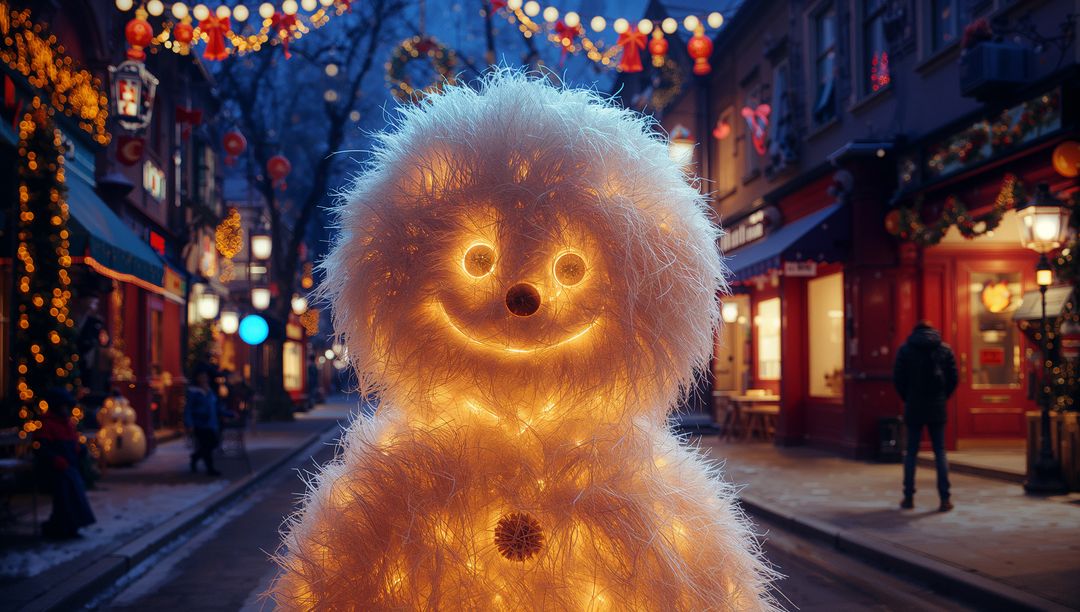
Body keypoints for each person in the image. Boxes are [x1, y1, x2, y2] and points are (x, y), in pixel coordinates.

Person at [893, 321, 959, 512]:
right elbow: (953, 378)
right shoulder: (945, 350)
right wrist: (942, 396)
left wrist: (908, 397)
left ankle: (908, 497)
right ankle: (945, 498)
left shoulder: (905, 350)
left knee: (911, 452)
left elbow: (898, 379)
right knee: (940, 451)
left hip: (914, 405)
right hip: (937, 405)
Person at [34, 388, 96, 539]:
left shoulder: (66, 423)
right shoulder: (47, 424)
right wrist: (57, 460)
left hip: (68, 466)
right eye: (63, 406)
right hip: (56, 468)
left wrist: (79, 450)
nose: (66, 409)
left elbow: (72, 443)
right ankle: (63, 527)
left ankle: (69, 525)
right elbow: (43, 449)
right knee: (66, 494)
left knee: (72, 492)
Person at [185, 366, 223, 476]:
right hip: (199, 423)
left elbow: (215, 406)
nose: (204, 379)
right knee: (207, 445)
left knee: (211, 444)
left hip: (211, 423)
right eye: (201, 377)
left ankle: (195, 457)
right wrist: (189, 423)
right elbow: (188, 409)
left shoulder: (210, 391)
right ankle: (210, 469)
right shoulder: (193, 392)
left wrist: (228, 414)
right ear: (197, 378)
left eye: (205, 377)